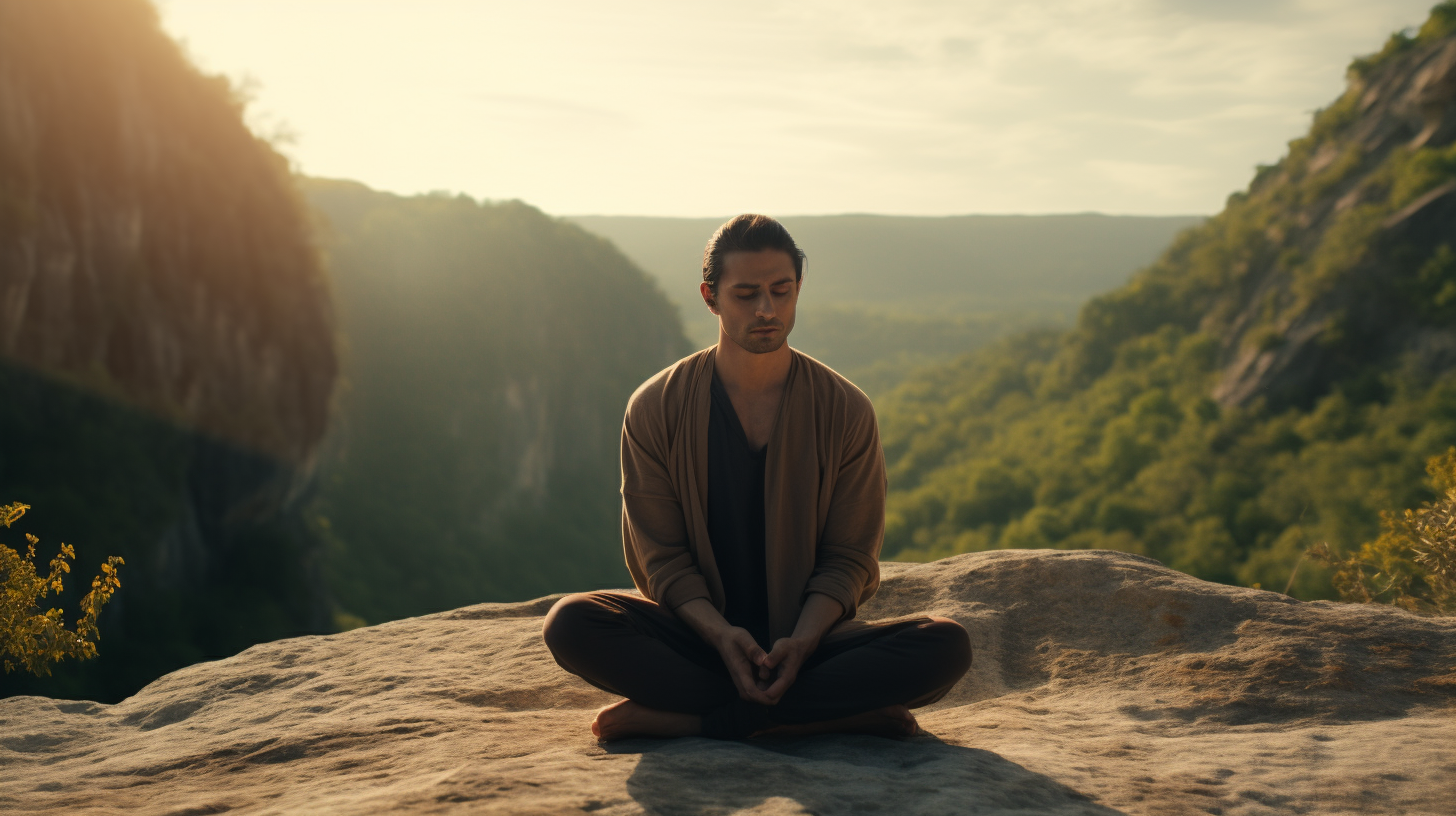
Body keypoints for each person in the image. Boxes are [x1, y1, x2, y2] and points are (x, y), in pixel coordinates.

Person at [542, 214, 971, 741]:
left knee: (946, 644)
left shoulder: (846, 409)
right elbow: (664, 562)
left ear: (797, 290)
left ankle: (698, 721)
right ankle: (828, 718)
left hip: (810, 648)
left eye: (781, 291)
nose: (767, 309)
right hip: (701, 642)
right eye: (746, 294)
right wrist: (723, 637)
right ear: (710, 296)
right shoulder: (656, 407)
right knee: (571, 622)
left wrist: (803, 642)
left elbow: (848, 560)